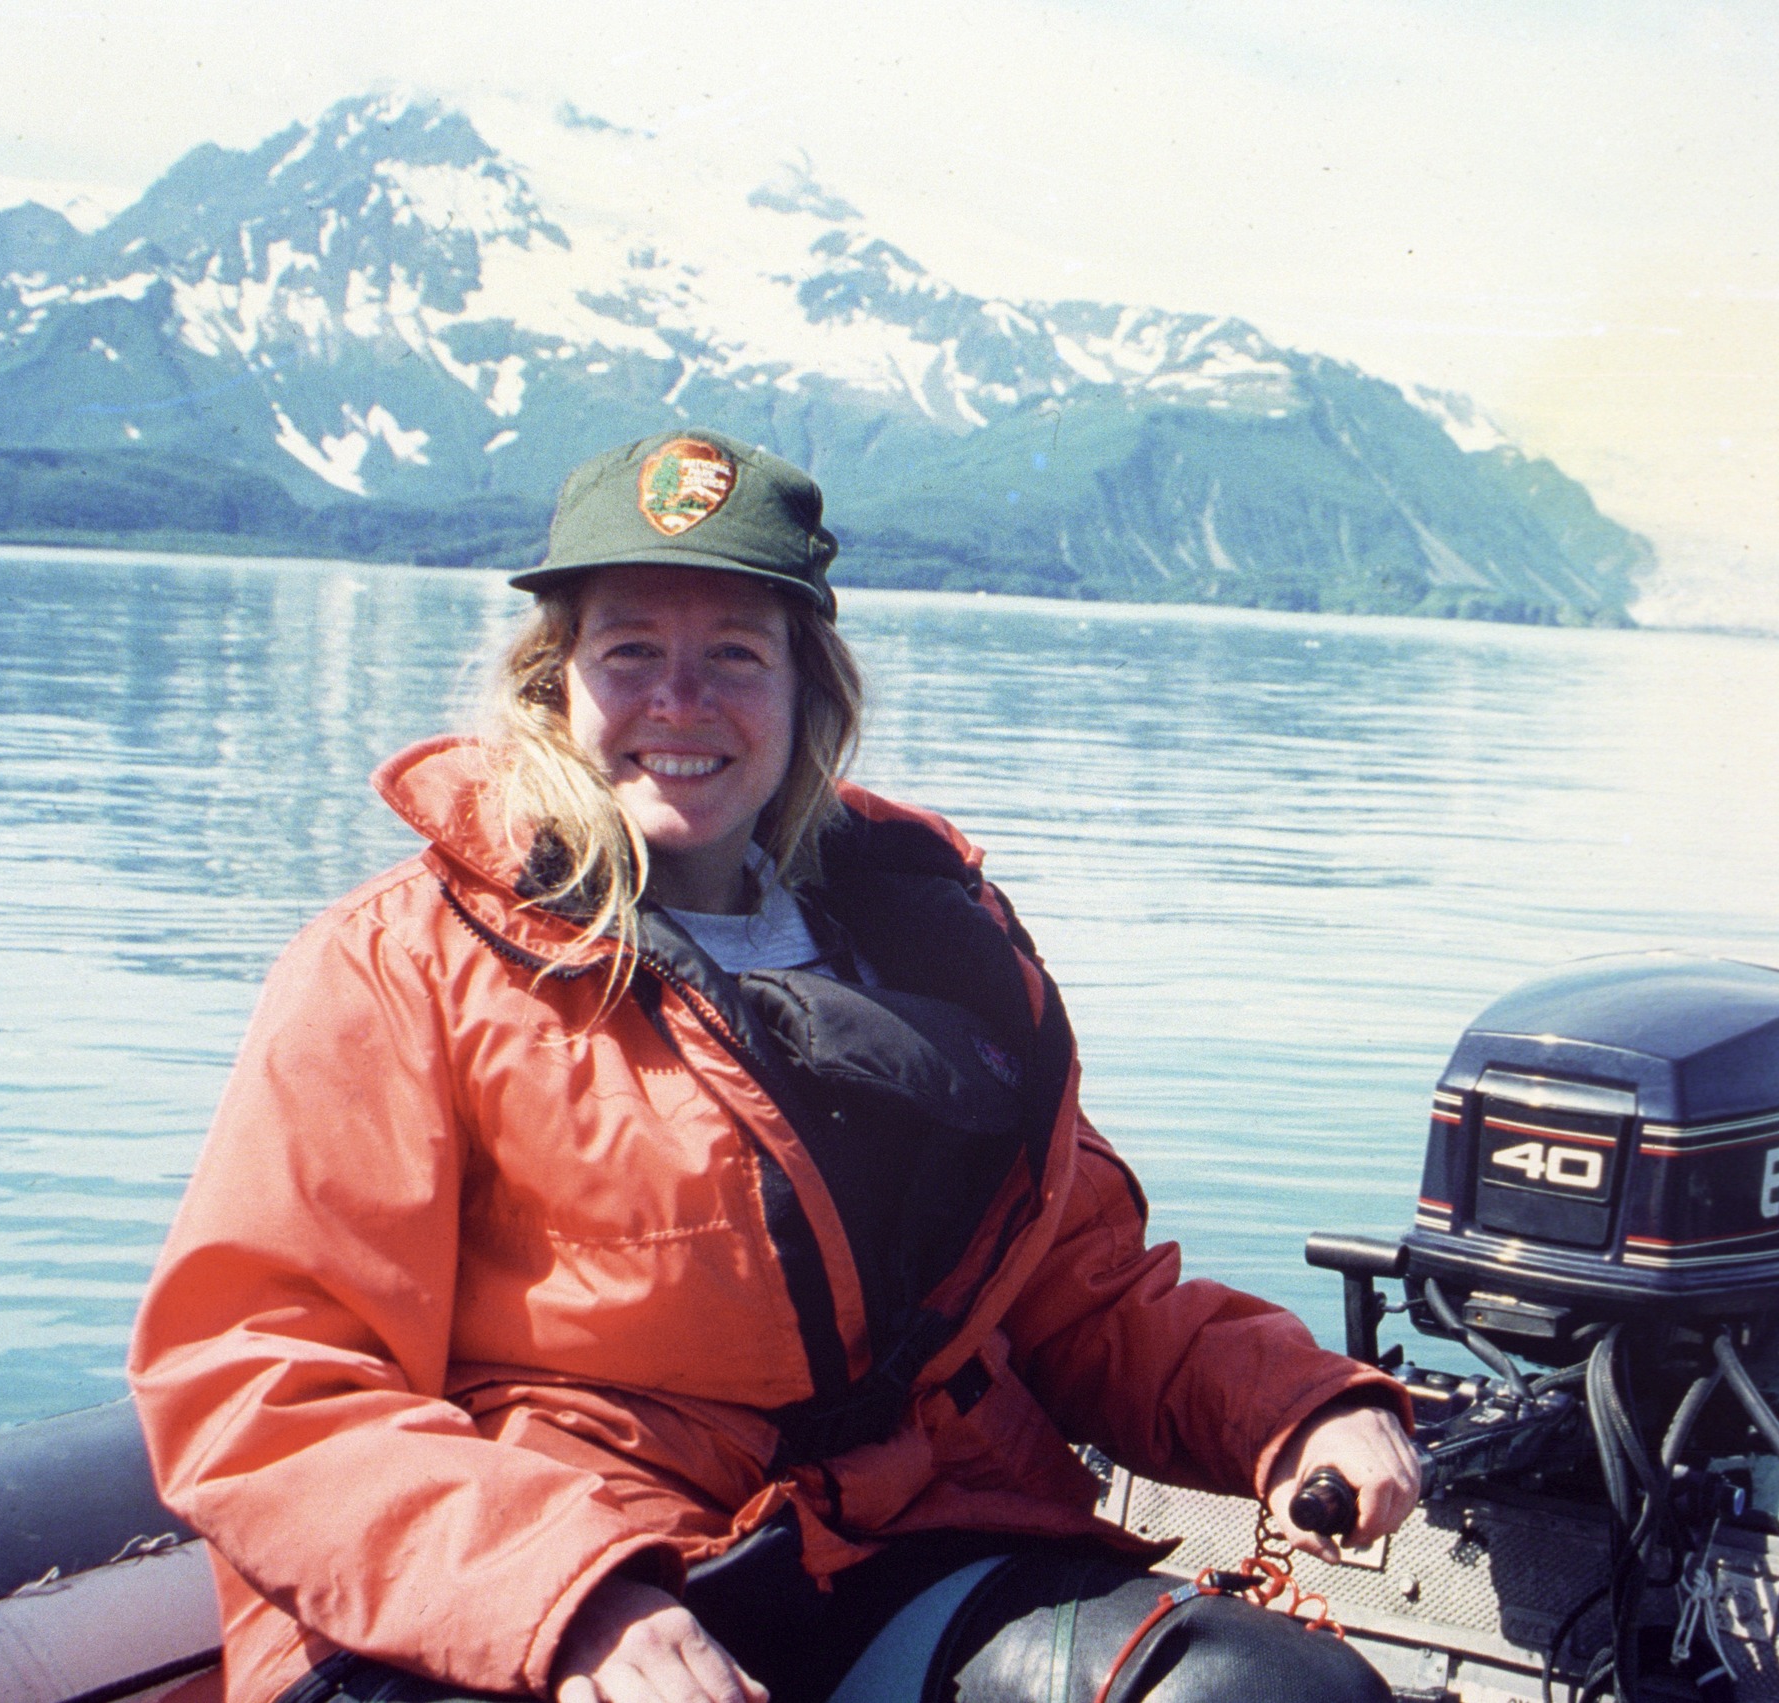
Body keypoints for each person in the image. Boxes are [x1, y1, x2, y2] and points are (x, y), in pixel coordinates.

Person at [128, 431, 1422, 1703]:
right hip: (545, 1573)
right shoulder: (392, 963)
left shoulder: (933, 949)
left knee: (1264, 1692)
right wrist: (569, 1598)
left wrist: (1293, 1406)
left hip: (886, 1546)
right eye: (630, 651)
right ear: (555, 684)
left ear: (808, 693)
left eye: (734, 657)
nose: (677, 704)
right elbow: (258, 1373)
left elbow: (1070, 1291)